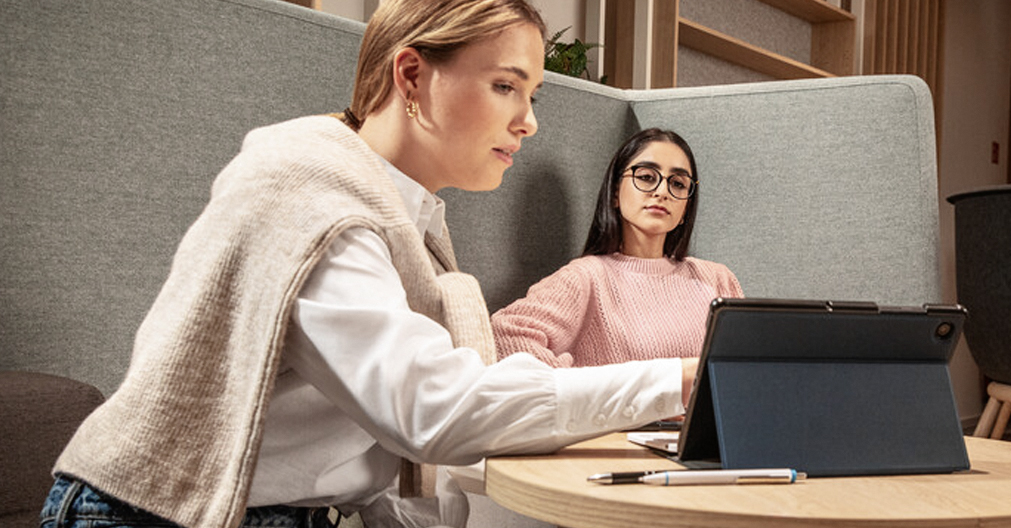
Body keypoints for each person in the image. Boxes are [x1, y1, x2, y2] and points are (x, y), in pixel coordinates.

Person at [42, 2, 698, 528]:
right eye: (505, 87)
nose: (527, 123)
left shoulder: (407, 221)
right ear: (410, 75)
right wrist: (681, 382)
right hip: (149, 512)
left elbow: (382, 434)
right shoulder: (311, 201)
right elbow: (433, 411)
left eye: (532, 97)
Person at [491, 128, 743, 368]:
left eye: (677, 184)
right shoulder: (586, 278)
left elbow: (747, 365)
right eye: (646, 177)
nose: (662, 191)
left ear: (686, 207)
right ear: (614, 192)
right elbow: (504, 338)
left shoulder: (717, 279)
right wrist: (590, 393)